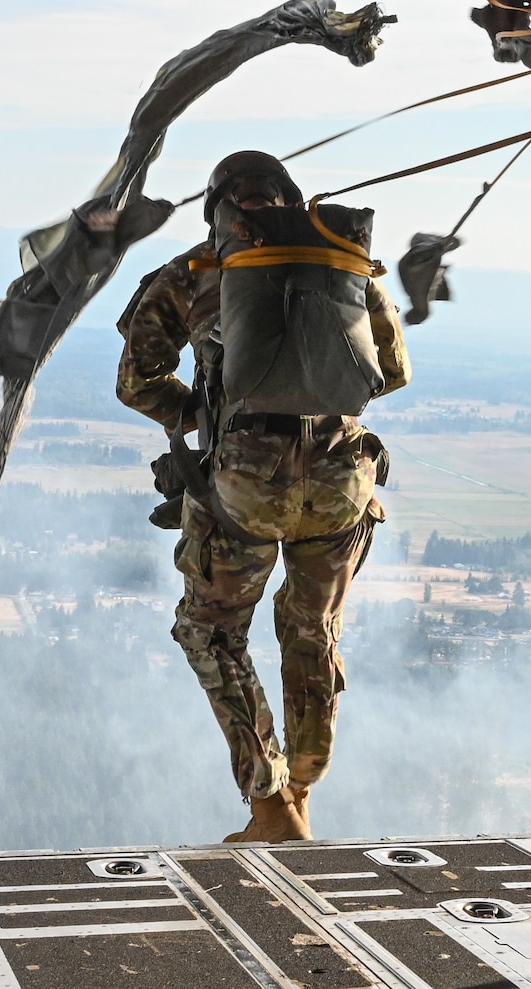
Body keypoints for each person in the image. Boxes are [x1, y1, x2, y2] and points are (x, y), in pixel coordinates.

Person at [116, 150, 410, 842]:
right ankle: (304, 784)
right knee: (313, 630)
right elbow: (390, 372)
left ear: (219, 206)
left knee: (212, 631)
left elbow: (136, 380)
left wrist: (201, 414)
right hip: (342, 480)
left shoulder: (194, 271)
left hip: (246, 480)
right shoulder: (338, 256)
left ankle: (269, 800)